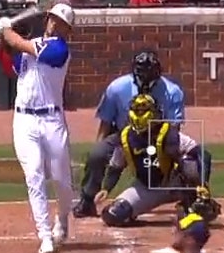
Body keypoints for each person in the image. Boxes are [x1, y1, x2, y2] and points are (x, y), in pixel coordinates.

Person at [0, 3, 77, 253]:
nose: (56, 25)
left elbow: (23, 45)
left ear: (67, 30)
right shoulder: (32, 45)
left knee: (62, 180)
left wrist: (5, 30)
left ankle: (62, 218)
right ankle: (45, 235)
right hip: (25, 121)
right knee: (34, 175)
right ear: (48, 19)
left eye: (62, 24)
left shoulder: (59, 50)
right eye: (54, 20)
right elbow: (13, 67)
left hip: (52, 120)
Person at [72, 49, 189, 219]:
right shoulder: (117, 88)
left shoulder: (172, 92)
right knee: (97, 154)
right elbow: (106, 123)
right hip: (123, 134)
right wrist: (99, 150)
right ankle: (88, 199)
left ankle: (185, 196)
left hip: (158, 138)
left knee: (182, 162)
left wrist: (163, 152)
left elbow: (174, 129)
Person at [93, 93, 220, 228]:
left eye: (144, 110)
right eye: (137, 111)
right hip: (146, 187)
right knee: (114, 214)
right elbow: (116, 166)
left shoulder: (169, 134)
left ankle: (193, 201)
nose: (140, 114)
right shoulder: (126, 137)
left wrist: (202, 183)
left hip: (175, 183)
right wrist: (106, 188)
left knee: (190, 162)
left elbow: (202, 154)